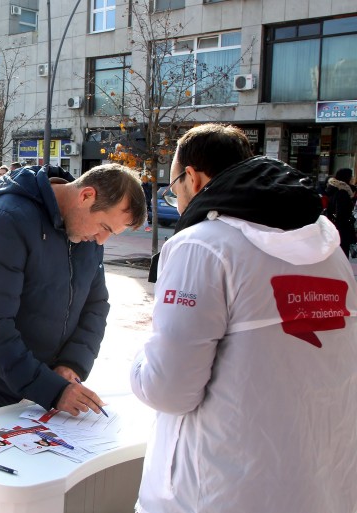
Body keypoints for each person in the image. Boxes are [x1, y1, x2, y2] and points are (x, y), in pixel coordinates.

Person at [130, 124, 357, 513]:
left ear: (194, 177)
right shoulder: (329, 248)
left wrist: (138, 363)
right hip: (323, 480)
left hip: (222, 486)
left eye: (174, 188)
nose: (178, 201)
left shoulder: (201, 246)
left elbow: (168, 388)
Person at [0, 163, 147, 420]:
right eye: (105, 227)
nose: (101, 240)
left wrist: (71, 364)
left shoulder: (86, 233)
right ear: (86, 196)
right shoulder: (3, 220)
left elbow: (95, 305)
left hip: (47, 388)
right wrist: (52, 389)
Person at [325, 167, 356, 257]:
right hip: (341, 228)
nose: (352, 179)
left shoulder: (333, 189)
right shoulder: (342, 192)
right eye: (351, 176)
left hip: (333, 226)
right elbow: (341, 212)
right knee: (342, 252)